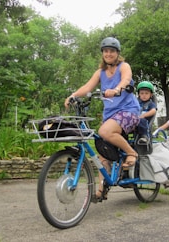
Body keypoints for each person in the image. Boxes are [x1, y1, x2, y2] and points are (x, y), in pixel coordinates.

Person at [64, 37, 140, 199]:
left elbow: (126, 79)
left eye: (112, 51)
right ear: (102, 54)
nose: (108, 53)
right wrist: (73, 95)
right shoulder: (100, 73)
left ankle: (131, 153)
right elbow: (87, 87)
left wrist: (117, 89)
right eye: (106, 51)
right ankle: (101, 189)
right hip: (111, 116)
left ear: (117, 53)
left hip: (129, 112)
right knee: (102, 152)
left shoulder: (123, 66)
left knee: (104, 131)